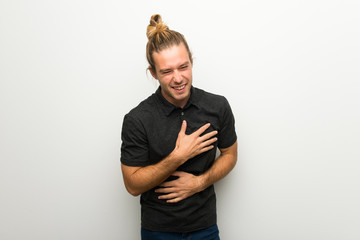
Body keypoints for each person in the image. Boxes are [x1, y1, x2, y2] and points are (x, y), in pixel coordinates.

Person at [120, 14, 237, 240]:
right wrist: (178, 156)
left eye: (183, 67)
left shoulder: (217, 106)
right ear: (153, 73)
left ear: (191, 62)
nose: (178, 78)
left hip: (205, 228)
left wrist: (199, 182)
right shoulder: (137, 119)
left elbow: (230, 154)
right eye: (166, 71)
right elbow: (132, 185)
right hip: (158, 231)